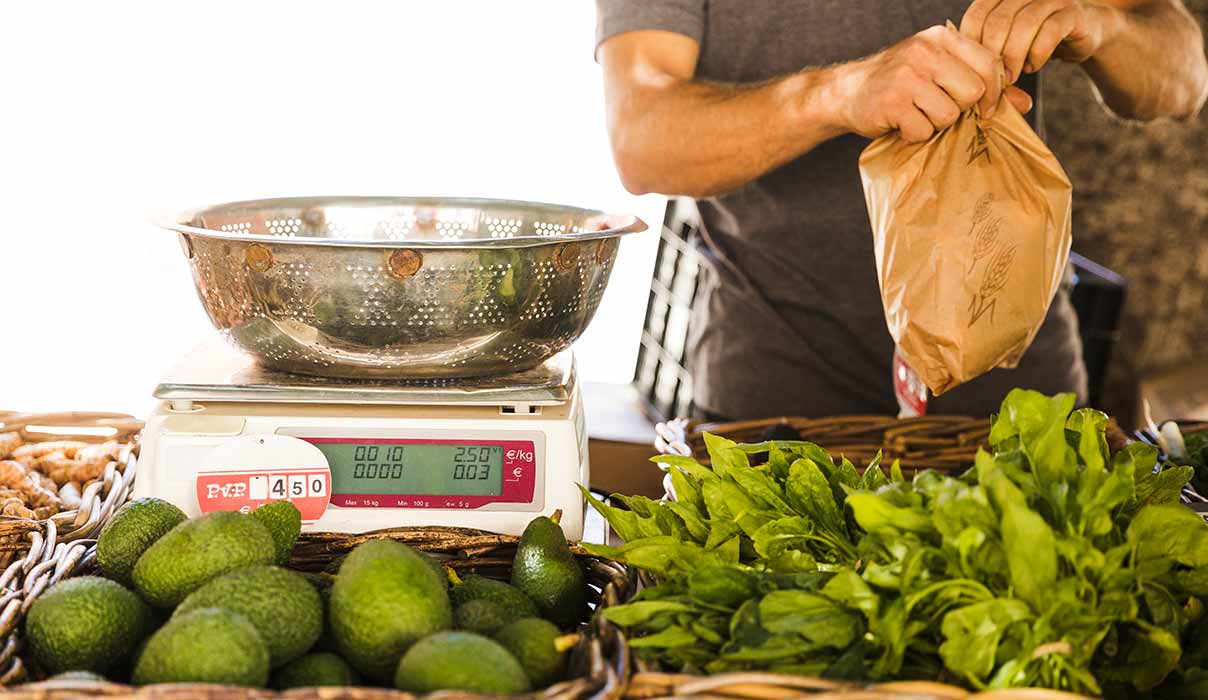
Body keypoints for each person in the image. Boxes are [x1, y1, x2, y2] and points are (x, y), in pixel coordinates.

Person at [595, 0, 1208, 420]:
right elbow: (642, 138)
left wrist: (1102, 23)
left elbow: (1184, 80)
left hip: (1020, 410)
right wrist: (835, 94)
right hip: (774, 413)